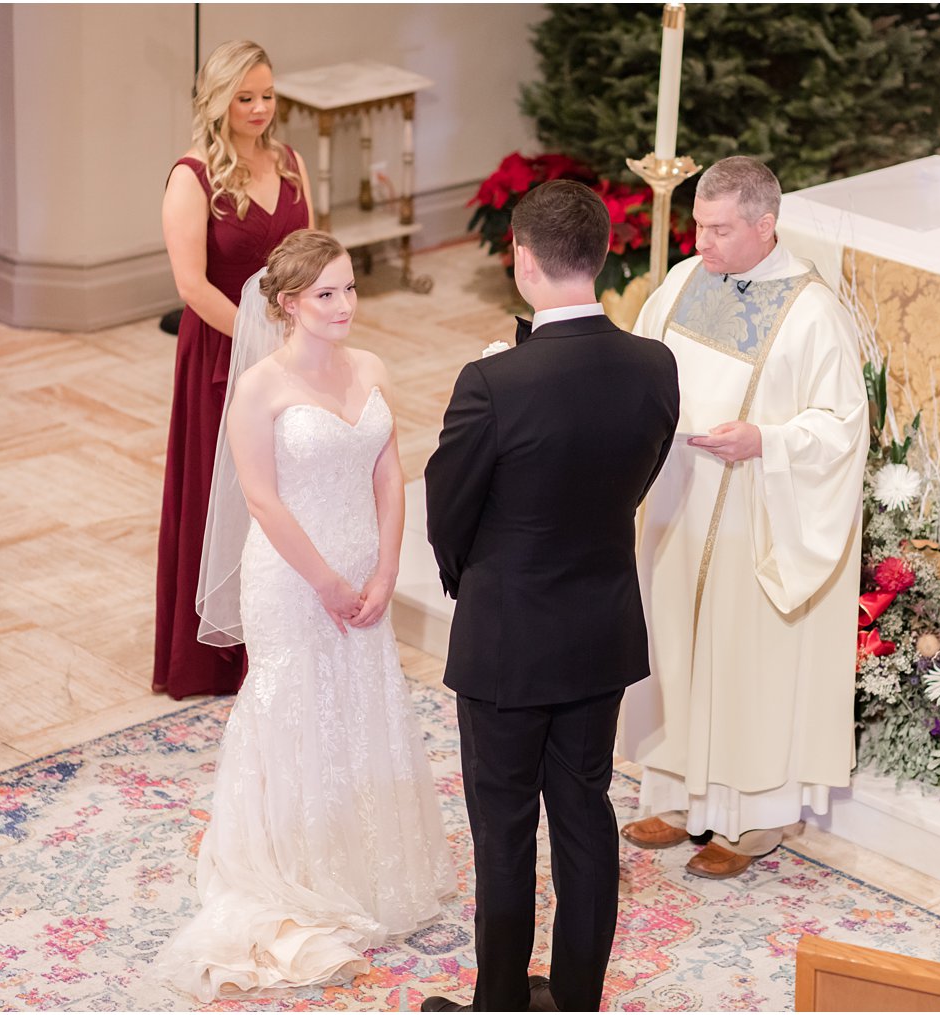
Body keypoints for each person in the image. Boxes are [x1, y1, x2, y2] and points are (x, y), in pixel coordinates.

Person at [160, 230, 453, 1000]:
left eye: (350, 289)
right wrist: (324, 580)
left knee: (363, 703)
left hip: (365, 568)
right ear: (288, 304)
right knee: (296, 708)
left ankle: (365, 859)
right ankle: (295, 862)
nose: (344, 305)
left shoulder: (372, 369)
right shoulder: (258, 386)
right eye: (326, 293)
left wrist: (388, 566)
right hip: (292, 578)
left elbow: (390, 471)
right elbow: (262, 498)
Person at [420, 180, 680, 1013]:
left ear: (524, 262)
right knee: (583, 814)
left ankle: (498, 1003)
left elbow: (447, 511)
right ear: (603, 258)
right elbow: (633, 480)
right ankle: (575, 1002)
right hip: (599, 631)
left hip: (506, 640)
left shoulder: (492, 383)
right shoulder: (655, 365)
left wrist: (475, 578)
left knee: (502, 830)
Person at [618, 156, 869, 879]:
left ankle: (751, 817)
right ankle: (674, 791)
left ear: (767, 224)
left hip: (757, 512)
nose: (704, 243)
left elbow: (843, 426)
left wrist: (768, 441)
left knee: (744, 663)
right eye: (698, 225)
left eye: (721, 229)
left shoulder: (812, 312)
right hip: (678, 504)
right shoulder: (683, 281)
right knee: (674, 645)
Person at [154, 39, 313, 699]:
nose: (258, 108)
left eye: (267, 95)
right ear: (217, 99)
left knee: (293, 488)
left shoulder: (293, 162)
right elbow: (192, 285)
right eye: (244, 97)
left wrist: (311, 325)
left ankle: (288, 639)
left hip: (293, 348)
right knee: (229, 495)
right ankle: (217, 658)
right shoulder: (192, 176)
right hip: (223, 354)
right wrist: (261, 338)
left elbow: (314, 254)